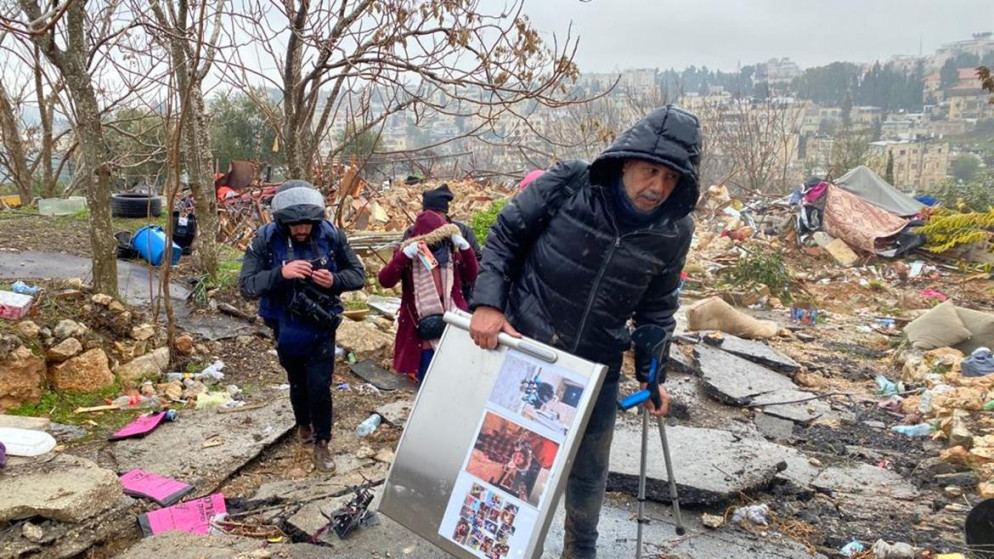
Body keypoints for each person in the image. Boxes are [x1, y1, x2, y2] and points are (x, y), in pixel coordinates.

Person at [468, 105, 701, 558]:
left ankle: (580, 549)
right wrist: (488, 303)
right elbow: (505, 235)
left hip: (596, 367)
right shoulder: (572, 184)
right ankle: (498, 544)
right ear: (626, 161)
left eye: (670, 179)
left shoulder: (674, 230)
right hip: (528, 349)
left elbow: (657, 310)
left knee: (589, 473)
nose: (657, 187)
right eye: (650, 171)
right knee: (510, 456)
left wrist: (652, 379)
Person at [239, 180, 365, 473]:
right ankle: (303, 425)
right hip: (284, 323)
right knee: (297, 381)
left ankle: (322, 441)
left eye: (307, 224)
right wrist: (280, 274)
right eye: (295, 225)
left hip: (321, 322)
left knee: (320, 384)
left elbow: (357, 275)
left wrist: (334, 281)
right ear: (282, 221)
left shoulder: (332, 235)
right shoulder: (264, 240)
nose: (302, 230)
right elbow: (247, 286)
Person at [380, 206, 479, 383]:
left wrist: (466, 248)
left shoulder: (451, 254)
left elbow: (471, 275)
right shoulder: (409, 257)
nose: (437, 246)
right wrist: (403, 256)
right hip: (422, 331)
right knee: (428, 383)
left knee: (457, 381)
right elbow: (385, 280)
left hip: (453, 325)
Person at [406, 184, 482, 301]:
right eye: (430, 214)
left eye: (437, 214)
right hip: (424, 297)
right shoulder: (413, 234)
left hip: (459, 295)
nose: (433, 218)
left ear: (444, 214)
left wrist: (464, 254)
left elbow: (477, 263)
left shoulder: (462, 232)